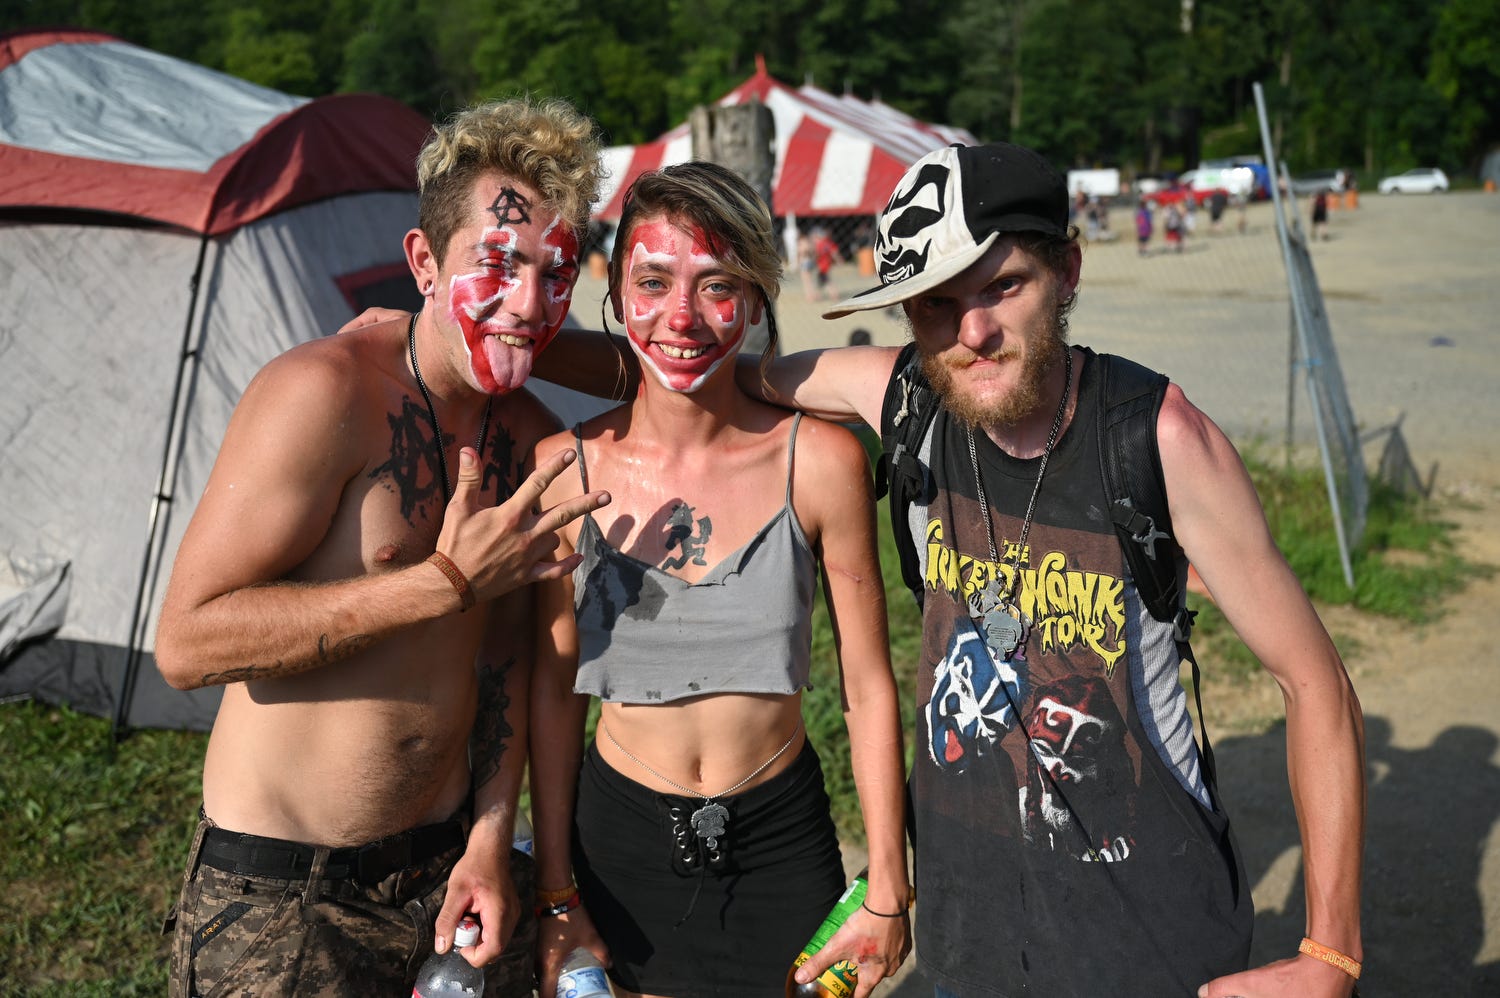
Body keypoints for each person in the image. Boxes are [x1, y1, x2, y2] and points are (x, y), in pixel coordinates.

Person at [535, 143, 1365, 998]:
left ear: (1067, 270)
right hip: (969, 935)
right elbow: (691, 365)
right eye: (937, 304)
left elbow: (1317, 683)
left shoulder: (1155, 438)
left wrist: (1330, 951)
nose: (972, 331)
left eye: (1003, 286)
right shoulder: (910, 401)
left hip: (1145, 929)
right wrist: (496, 341)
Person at [153, 97, 609, 998]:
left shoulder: (532, 440)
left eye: (555, 274)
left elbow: (509, 664)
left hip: (449, 881)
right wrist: (438, 584)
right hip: (283, 899)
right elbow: (187, 642)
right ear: (423, 263)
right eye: (500, 264)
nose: (528, 304)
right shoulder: (322, 395)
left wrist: (488, 839)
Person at [527, 162, 911, 998]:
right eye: (654, 281)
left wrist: (888, 881)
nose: (682, 317)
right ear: (616, 288)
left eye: (718, 285)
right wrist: (556, 890)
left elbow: (869, 686)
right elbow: (553, 697)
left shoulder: (820, 461)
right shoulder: (564, 470)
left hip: (781, 842)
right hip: (617, 846)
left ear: (759, 295)